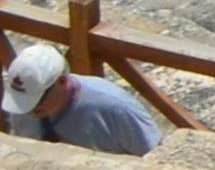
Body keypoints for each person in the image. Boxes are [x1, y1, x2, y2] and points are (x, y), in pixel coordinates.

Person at [4, 43, 164, 156]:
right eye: (23, 100)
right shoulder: (21, 105)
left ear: (62, 82)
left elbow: (153, 156)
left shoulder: (114, 107)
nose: (30, 110)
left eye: (38, 100)